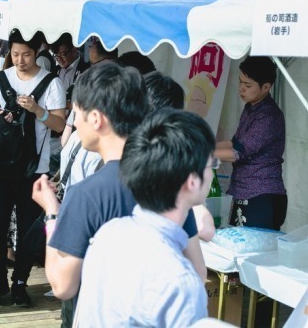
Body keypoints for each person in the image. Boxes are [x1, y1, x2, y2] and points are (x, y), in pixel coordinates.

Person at [32, 63, 205, 325]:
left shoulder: (86, 195)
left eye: (76, 113)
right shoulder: (171, 186)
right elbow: (198, 271)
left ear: (96, 119)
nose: (75, 122)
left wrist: (51, 213)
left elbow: (62, 285)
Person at [75, 109, 212, 326]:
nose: (212, 172)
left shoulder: (109, 233)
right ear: (192, 181)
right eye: (210, 165)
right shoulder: (180, 282)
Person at [0, 29, 66, 307]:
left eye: (26, 54)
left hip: (34, 169)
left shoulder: (51, 83)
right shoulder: (0, 78)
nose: (20, 60)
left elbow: (60, 125)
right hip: (2, 166)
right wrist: (0, 117)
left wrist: (36, 111)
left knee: (28, 230)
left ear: (37, 52)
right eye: (15, 54)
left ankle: (20, 282)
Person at [215, 56, 287, 230]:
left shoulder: (269, 116)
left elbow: (237, 153)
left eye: (248, 86)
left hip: (261, 194)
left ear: (266, 87)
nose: (241, 89)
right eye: (240, 82)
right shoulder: (251, 108)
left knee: (253, 253)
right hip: (242, 190)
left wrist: (200, 154)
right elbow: (234, 143)